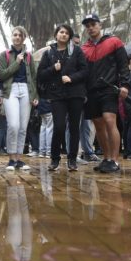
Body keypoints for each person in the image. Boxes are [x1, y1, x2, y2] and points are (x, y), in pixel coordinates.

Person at [80, 14, 129, 173]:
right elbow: (82, 72)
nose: (91, 28)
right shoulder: (83, 49)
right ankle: (106, 158)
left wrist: (125, 85)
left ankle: (114, 160)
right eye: (87, 25)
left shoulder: (114, 41)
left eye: (93, 24)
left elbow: (123, 65)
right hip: (91, 92)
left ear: (100, 25)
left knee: (109, 121)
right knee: (99, 125)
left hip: (109, 88)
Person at [37, 24, 88, 171]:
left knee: (74, 127)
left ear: (69, 36)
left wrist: (71, 78)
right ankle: (55, 159)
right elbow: (40, 75)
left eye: (66, 32)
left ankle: (72, 159)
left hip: (75, 94)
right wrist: (53, 68)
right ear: (56, 35)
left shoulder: (77, 51)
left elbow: (85, 71)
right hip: (57, 95)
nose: (64, 34)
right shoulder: (49, 53)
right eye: (61, 32)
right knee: (58, 127)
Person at [0, 26, 38, 171]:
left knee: (23, 127)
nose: (16, 37)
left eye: (19, 35)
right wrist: (17, 63)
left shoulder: (29, 56)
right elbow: (2, 75)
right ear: (12, 37)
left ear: (23, 38)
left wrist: (35, 96)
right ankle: (11, 158)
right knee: (13, 125)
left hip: (26, 90)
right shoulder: (5, 55)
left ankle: (19, 158)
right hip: (11, 91)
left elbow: (34, 78)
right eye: (14, 35)